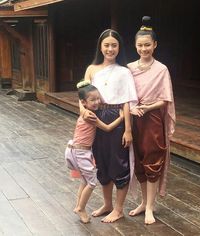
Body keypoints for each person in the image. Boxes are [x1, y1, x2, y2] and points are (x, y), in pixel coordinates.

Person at [80, 29, 138, 223]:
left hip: (117, 116)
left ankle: (119, 208)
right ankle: (107, 204)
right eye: (106, 45)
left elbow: (127, 102)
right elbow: (82, 95)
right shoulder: (91, 69)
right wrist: (82, 110)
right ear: (100, 46)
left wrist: (128, 130)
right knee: (102, 162)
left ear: (119, 47)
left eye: (114, 45)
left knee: (118, 162)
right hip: (96, 117)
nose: (110, 49)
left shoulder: (124, 72)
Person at [127, 16, 176, 225]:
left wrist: (148, 106)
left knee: (153, 161)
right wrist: (133, 107)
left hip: (153, 119)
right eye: (140, 45)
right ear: (135, 45)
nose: (144, 48)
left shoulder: (161, 69)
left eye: (148, 45)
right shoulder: (128, 68)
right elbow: (126, 96)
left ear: (155, 45)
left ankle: (150, 207)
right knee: (138, 160)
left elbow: (166, 99)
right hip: (134, 118)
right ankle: (143, 203)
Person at [65, 81, 124, 224]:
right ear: (84, 102)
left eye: (98, 98)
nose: (97, 102)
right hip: (81, 152)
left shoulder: (85, 111)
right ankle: (81, 208)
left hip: (73, 149)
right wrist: (121, 118)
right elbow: (108, 128)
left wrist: (99, 101)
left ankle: (78, 206)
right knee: (91, 183)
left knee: (84, 180)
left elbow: (90, 100)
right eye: (92, 100)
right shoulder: (90, 116)